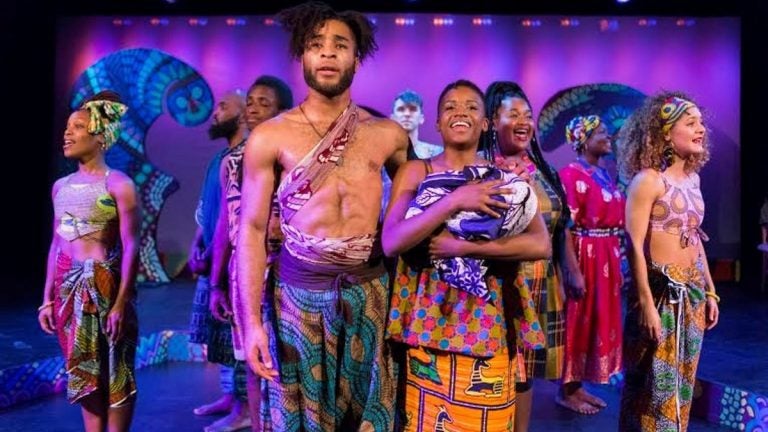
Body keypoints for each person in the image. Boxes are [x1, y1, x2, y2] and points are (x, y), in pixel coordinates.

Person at [236, 2, 408, 431]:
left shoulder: (387, 135)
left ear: (356, 56)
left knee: (370, 417)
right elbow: (252, 230)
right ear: (302, 55)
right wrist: (252, 324)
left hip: (370, 294)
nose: (328, 54)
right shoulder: (270, 136)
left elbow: (415, 216)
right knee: (300, 419)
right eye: (316, 45)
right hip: (297, 298)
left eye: (340, 45)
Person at [384, 79, 551, 431]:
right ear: (438, 123)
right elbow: (392, 240)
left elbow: (541, 245)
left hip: (486, 318)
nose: (460, 113)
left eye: (472, 107)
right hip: (429, 318)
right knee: (427, 419)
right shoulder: (416, 171)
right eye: (450, 107)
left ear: (486, 123)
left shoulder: (503, 178)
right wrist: (454, 201)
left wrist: (466, 247)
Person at [483, 81, 588, 429]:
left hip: (542, 281)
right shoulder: (481, 169)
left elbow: (562, 223)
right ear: (491, 122)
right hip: (499, 285)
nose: (524, 121)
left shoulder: (542, 169)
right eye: (513, 114)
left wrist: (570, 268)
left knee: (525, 373)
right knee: (498, 368)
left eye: (527, 114)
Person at [617, 91, 720, 431]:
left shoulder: (693, 180)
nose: (700, 129)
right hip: (659, 294)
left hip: (689, 293)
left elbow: (696, 237)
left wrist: (709, 291)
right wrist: (646, 302)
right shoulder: (648, 180)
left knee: (681, 385)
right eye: (690, 123)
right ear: (665, 134)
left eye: (701, 122)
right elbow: (633, 243)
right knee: (652, 387)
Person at [39, 90, 139, 432]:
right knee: (82, 374)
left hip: (104, 290)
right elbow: (56, 244)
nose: (67, 133)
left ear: (99, 137)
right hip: (68, 291)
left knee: (115, 371)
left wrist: (121, 303)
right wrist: (46, 299)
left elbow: (131, 245)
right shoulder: (59, 186)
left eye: (78, 127)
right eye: (67, 126)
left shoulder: (119, 185)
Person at [208, 75, 293, 432]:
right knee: (253, 363)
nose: (254, 107)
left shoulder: (292, 156)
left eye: (264, 102)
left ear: (282, 111)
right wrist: (216, 283)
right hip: (244, 273)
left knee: (287, 361)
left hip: (286, 273)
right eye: (252, 100)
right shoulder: (232, 162)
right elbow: (225, 227)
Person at [187, 91, 250, 431]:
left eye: (223, 107)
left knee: (236, 335)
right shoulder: (219, 159)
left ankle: (243, 408)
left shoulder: (247, 157)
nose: (215, 113)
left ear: (242, 115)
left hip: (234, 262)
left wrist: (215, 254)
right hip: (212, 259)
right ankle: (229, 396)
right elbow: (206, 209)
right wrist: (198, 243)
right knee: (220, 337)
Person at [558, 115, 624, 412]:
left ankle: (578, 385)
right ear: (583, 139)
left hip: (606, 255)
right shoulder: (571, 175)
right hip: (585, 255)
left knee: (596, 320)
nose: (607, 137)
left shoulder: (603, 173)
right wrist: (573, 271)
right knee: (578, 319)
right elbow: (565, 227)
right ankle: (566, 390)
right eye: (601, 132)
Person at [391, 89, 443, 159]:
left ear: (421, 118)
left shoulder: (437, 153)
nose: (407, 114)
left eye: (412, 109)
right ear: (392, 118)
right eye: (401, 109)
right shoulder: (381, 153)